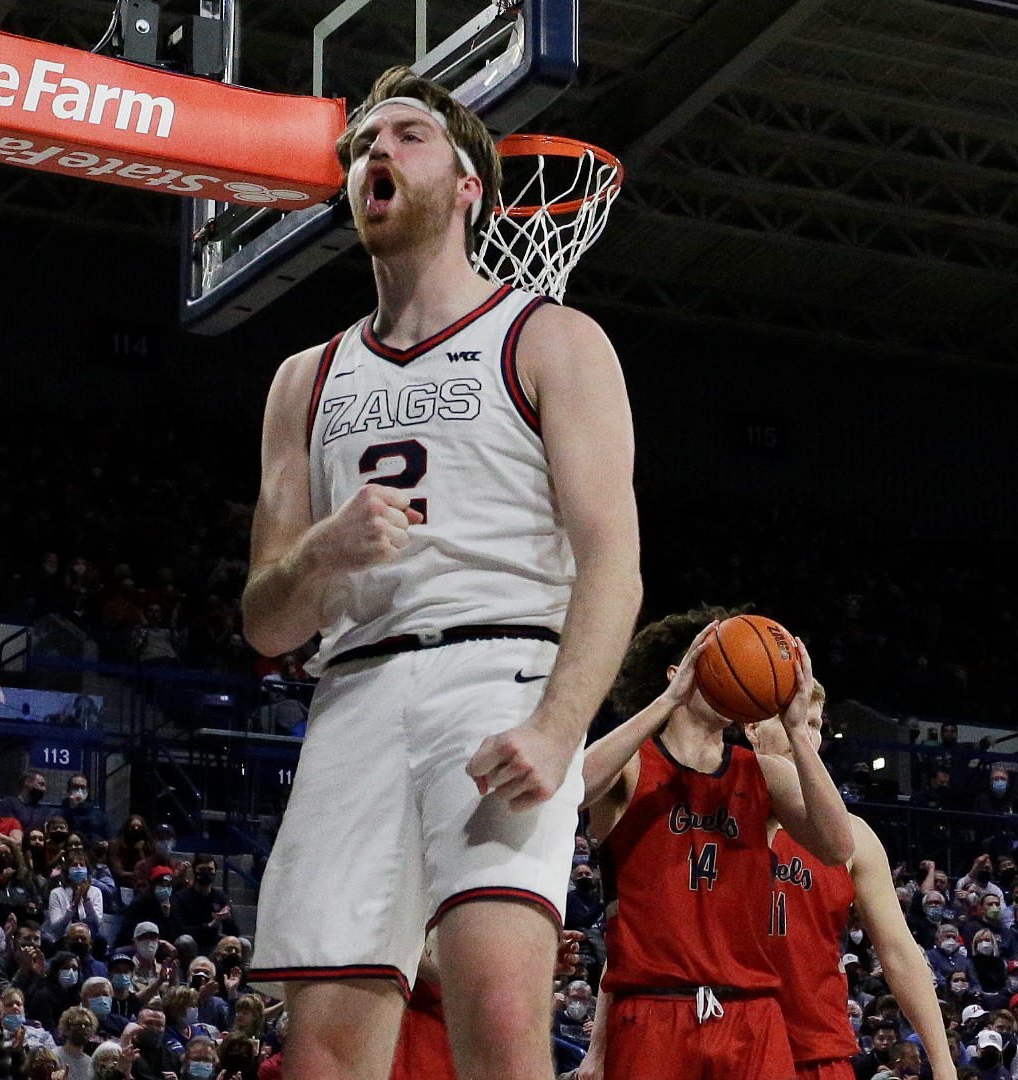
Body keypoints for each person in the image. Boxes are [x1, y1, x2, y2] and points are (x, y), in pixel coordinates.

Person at [237, 61, 642, 1080]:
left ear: (470, 185)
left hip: (498, 675)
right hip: (354, 691)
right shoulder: (304, 379)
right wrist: (322, 553)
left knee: (500, 1020)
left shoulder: (551, 338)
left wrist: (557, 729)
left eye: (408, 136)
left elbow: (614, 564)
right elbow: (266, 623)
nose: (379, 151)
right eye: (366, 142)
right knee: (322, 1050)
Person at [575, 609, 853, 1080]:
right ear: (677, 673)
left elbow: (836, 845)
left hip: (752, 1010)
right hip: (653, 1007)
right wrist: (667, 702)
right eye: (716, 659)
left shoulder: (764, 773)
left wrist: (796, 732)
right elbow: (571, 789)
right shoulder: (633, 766)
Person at [746, 682, 958, 1080]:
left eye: (812, 724)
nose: (803, 734)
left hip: (816, 1049)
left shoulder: (853, 835)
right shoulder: (710, 815)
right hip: (726, 1039)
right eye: (788, 720)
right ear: (751, 728)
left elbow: (898, 952)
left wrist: (944, 1066)